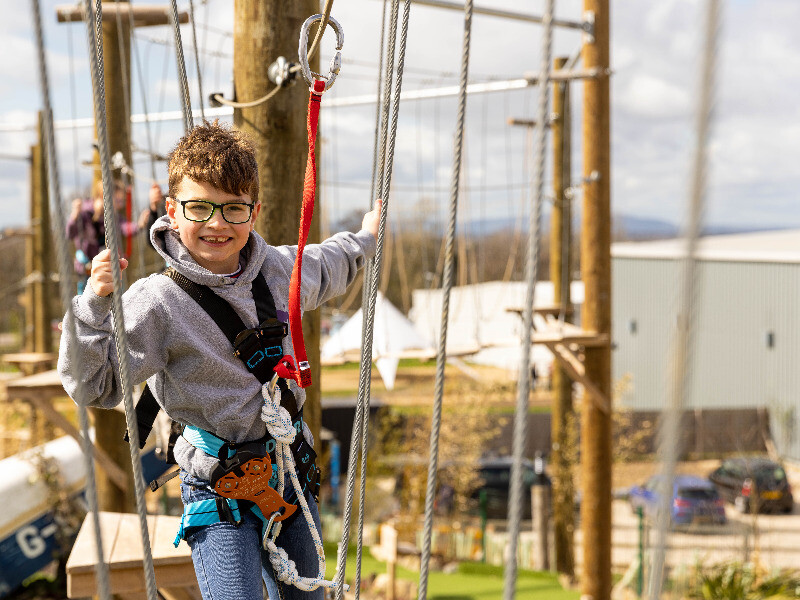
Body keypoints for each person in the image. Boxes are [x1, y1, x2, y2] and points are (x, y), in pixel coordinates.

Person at [58, 121, 380, 600]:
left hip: (290, 471)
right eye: (199, 208)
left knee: (308, 594)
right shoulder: (157, 304)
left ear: (254, 212)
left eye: (233, 209)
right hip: (219, 487)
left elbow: (331, 263)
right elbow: (94, 385)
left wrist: (368, 238)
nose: (217, 223)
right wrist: (92, 306)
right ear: (171, 210)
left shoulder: (277, 271)